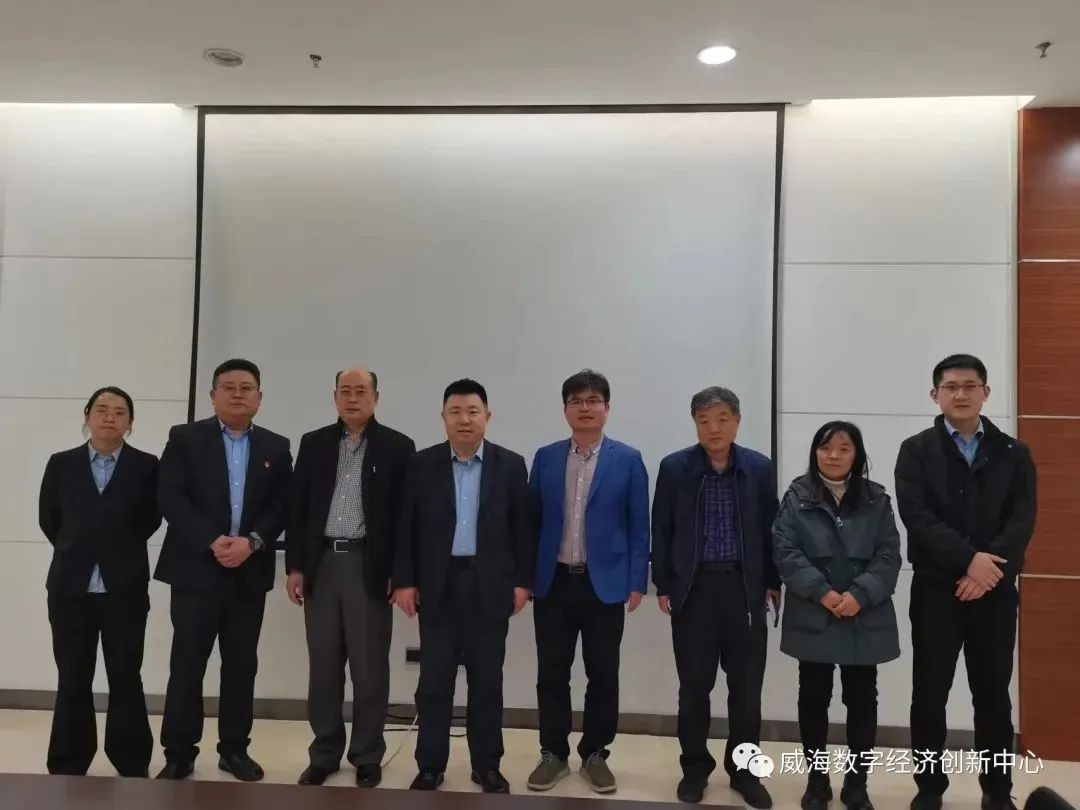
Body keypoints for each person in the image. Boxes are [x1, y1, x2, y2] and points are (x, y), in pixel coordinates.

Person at [895, 355, 1036, 810]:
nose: (960, 394)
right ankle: (929, 789)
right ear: (935, 395)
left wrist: (988, 572)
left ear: (986, 393)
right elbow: (917, 518)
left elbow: (1022, 520)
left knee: (993, 695)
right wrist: (969, 561)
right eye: (950, 387)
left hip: (995, 592)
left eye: (970, 386)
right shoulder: (916, 450)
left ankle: (997, 791)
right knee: (929, 692)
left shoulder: (1014, 452)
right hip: (936, 590)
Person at [391, 378, 535, 794]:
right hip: (438, 585)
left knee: (487, 681)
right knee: (434, 682)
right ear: (443, 418)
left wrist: (523, 583)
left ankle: (486, 765)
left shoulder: (511, 465)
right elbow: (406, 527)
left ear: (487, 417)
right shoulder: (421, 464)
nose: (464, 420)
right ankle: (430, 766)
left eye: (473, 412)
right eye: (455, 412)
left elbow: (523, 530)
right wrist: (404, 581)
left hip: (491, 586)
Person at [154, 358, 292, 782]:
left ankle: (234, 750)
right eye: (228, 387)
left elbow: (283, 505)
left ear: (259, 398)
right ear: (213, 395)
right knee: (187, 664)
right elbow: (169, 496)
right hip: (196, 569)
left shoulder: (276, 446)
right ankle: (179, 752)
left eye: (246, 387)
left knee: (240, 665)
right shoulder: (185, 438)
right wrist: (212, 540)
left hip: (248, 571)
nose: (237, 394)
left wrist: (252, 542)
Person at [651, 386, 781, 808]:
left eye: (723, 418)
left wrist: (773, 581)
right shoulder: (675, 468)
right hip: (695, 590)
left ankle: (745, 772)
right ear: (695, 424)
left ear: (737, 422)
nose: (714, 428)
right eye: (704, 420)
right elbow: (661, 528)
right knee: (694, 688)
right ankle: (694, 770)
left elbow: (771, 527)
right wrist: (664, 584)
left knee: (746, 690)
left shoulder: (759, 468)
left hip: (744, 589)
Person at [286, 368, 415, 788]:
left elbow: (405, 518)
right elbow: (298, 508)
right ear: (335, 397)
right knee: (323, 667)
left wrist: (401, 573)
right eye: (346, 391)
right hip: (322, 565)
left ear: (376, 398)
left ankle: (367, 755)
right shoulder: (314, 443)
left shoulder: (397, 447)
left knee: (369, 668)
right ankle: (324, 753)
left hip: (368, 567)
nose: (353, 398)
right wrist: (296, 566)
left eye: (361, 391)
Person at [526, 369, 649, 794]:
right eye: (576, 401)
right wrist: (525, 577)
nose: (585, 408)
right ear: (565, 410)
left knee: (603, 674)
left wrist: (638, 580)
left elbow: (639, 525)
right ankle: (553, 753)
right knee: (551, 673)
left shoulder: (628, 459)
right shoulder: (546, 457)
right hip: (554, 582)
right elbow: (531, 522)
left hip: (605, 584)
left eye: (593, 400)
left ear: (606, 408)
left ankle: (595, 753)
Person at [773, 421, 901, 810]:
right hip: (815, 611)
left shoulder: (876, 499)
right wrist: (823, 592)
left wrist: (859, 595)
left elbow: (888, 555)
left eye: (844, 449)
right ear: (815, 452)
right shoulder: (797, 496)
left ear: (856, 455)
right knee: (813, 698)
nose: (833, 456)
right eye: (826, 448)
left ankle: (857, 785)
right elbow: (785, 550)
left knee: (862, 700)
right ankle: (817, 783)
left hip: (863, 614)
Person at [38, 387, 161, 777]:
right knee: (73, 676)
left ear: (130, 423)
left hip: (124, 589)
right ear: (87, 416)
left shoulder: (147, 466)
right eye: (102, 410)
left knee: (126, 675)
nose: (110, 417)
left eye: (120, 412)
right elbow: (49, 519)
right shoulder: (62, 463)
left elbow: (150, 519)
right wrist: (81, 548)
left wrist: (114, 550)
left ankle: (131, 760)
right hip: (70, 589)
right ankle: (68, 761)